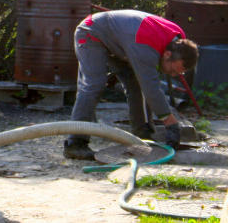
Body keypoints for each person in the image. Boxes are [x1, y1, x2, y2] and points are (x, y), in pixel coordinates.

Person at [63, 9, 199, 160]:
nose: (172, 75)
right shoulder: (147, 47)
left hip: (120, 40)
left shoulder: (178, 41)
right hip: (91, 32)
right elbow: (151, 88)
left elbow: (146, 85)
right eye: (173, 70)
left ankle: (142, 135)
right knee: (94, 84)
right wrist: (170, 122)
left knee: (135, 83)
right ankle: (75, 144)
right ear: (167, 55)